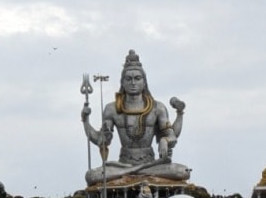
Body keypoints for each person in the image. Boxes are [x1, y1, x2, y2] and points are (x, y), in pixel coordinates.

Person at [81, 49, 190, 185]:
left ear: (144, 82)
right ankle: (136, 171)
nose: (133, 83)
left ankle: (134, 172)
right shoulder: (112, 109)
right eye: (129, 79)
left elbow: (172, 136)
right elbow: (101, 140)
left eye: (137, 78)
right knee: (91, 175)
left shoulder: (157, 108)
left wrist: (165, 140)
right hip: (123, 164)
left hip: (152, 164)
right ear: (122, 82)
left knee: (183, 171)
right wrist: (85, 120)